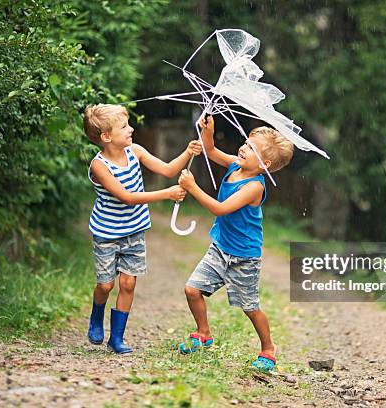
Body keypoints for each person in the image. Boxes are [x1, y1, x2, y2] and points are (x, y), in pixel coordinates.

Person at [177, 115, 293, 371]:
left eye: (251, 148)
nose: (243, 147)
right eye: (245, 142)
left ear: (266, 163)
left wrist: (192, 187)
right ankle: (203, 333)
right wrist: (208, 129)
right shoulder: (235, 166)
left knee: (249, 307)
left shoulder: (254, 187)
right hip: (220, 249)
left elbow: (220, 209)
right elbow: (209, 150)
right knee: (192, 290)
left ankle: (268, 349)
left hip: (244, 257)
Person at [83, 103, 202, 354]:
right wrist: (166, 194)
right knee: (106, 285)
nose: (131, 129)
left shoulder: (135, 151)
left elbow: (168, 169)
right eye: (124, 126)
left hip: (134, 230)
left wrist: (187, 152)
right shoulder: (99, 166)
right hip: (107, 233)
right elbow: (126, 197)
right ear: (106, 137)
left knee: (128, 284)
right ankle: (96, 317)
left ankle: (116, 338)